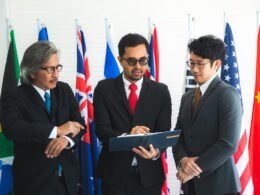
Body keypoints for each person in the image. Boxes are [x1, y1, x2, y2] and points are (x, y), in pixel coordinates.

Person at [0, 41, 86, 195]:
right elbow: (11, 128)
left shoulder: (64, 90)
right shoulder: (14, 96)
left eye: (57, 67)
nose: (56, 74)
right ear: (32, 72)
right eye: (50, 69)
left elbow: (79, 124)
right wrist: (56, 130)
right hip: (34, 183)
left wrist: (66, 140)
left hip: (68, 180)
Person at [94, 33, 172, 195]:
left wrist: (156, 152)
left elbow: (163, 133)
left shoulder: (161, 91)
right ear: (120, 60)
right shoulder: (104, 89)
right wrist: (129, 135)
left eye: (143, 60)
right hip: (114, 176)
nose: (138, 66)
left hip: (149, 177)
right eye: (131, 61)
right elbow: (102, 131)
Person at [173, 35, 242, 195]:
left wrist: (192, 170)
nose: (194, 69)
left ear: (216, 64)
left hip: (220, 186)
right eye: (191, 63)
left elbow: (228, 144)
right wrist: (182, 160)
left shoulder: (227, 94)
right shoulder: (187, 97)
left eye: (200, 64)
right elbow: (178, 136)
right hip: (190, 187)